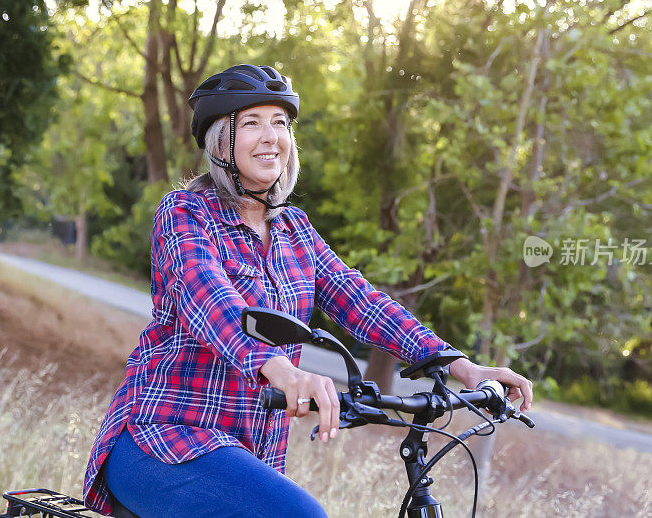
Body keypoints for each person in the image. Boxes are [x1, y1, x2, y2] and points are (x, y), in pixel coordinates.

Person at [82, 64, 533, 517]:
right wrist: (281, 369)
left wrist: (460, 365)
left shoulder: (295, 230)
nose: (270, 136)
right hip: (164, 439)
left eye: (279, 123)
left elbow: (361, 301)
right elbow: (210, 301)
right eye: (252, 122)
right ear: (221, 140)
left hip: (250, 455)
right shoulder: (185, 212)